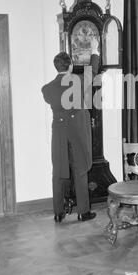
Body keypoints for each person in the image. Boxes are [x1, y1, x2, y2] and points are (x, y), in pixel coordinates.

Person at [42, 38, 99, 223]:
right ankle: (83, 212)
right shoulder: (78, 82)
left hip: (58, 132)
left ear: (55, 67)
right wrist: (95, 52)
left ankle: (58, 212)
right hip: (77, 131)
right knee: (81, 168)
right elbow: (93, 71)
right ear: (71, 66)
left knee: (58, 170)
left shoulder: (46, 89)